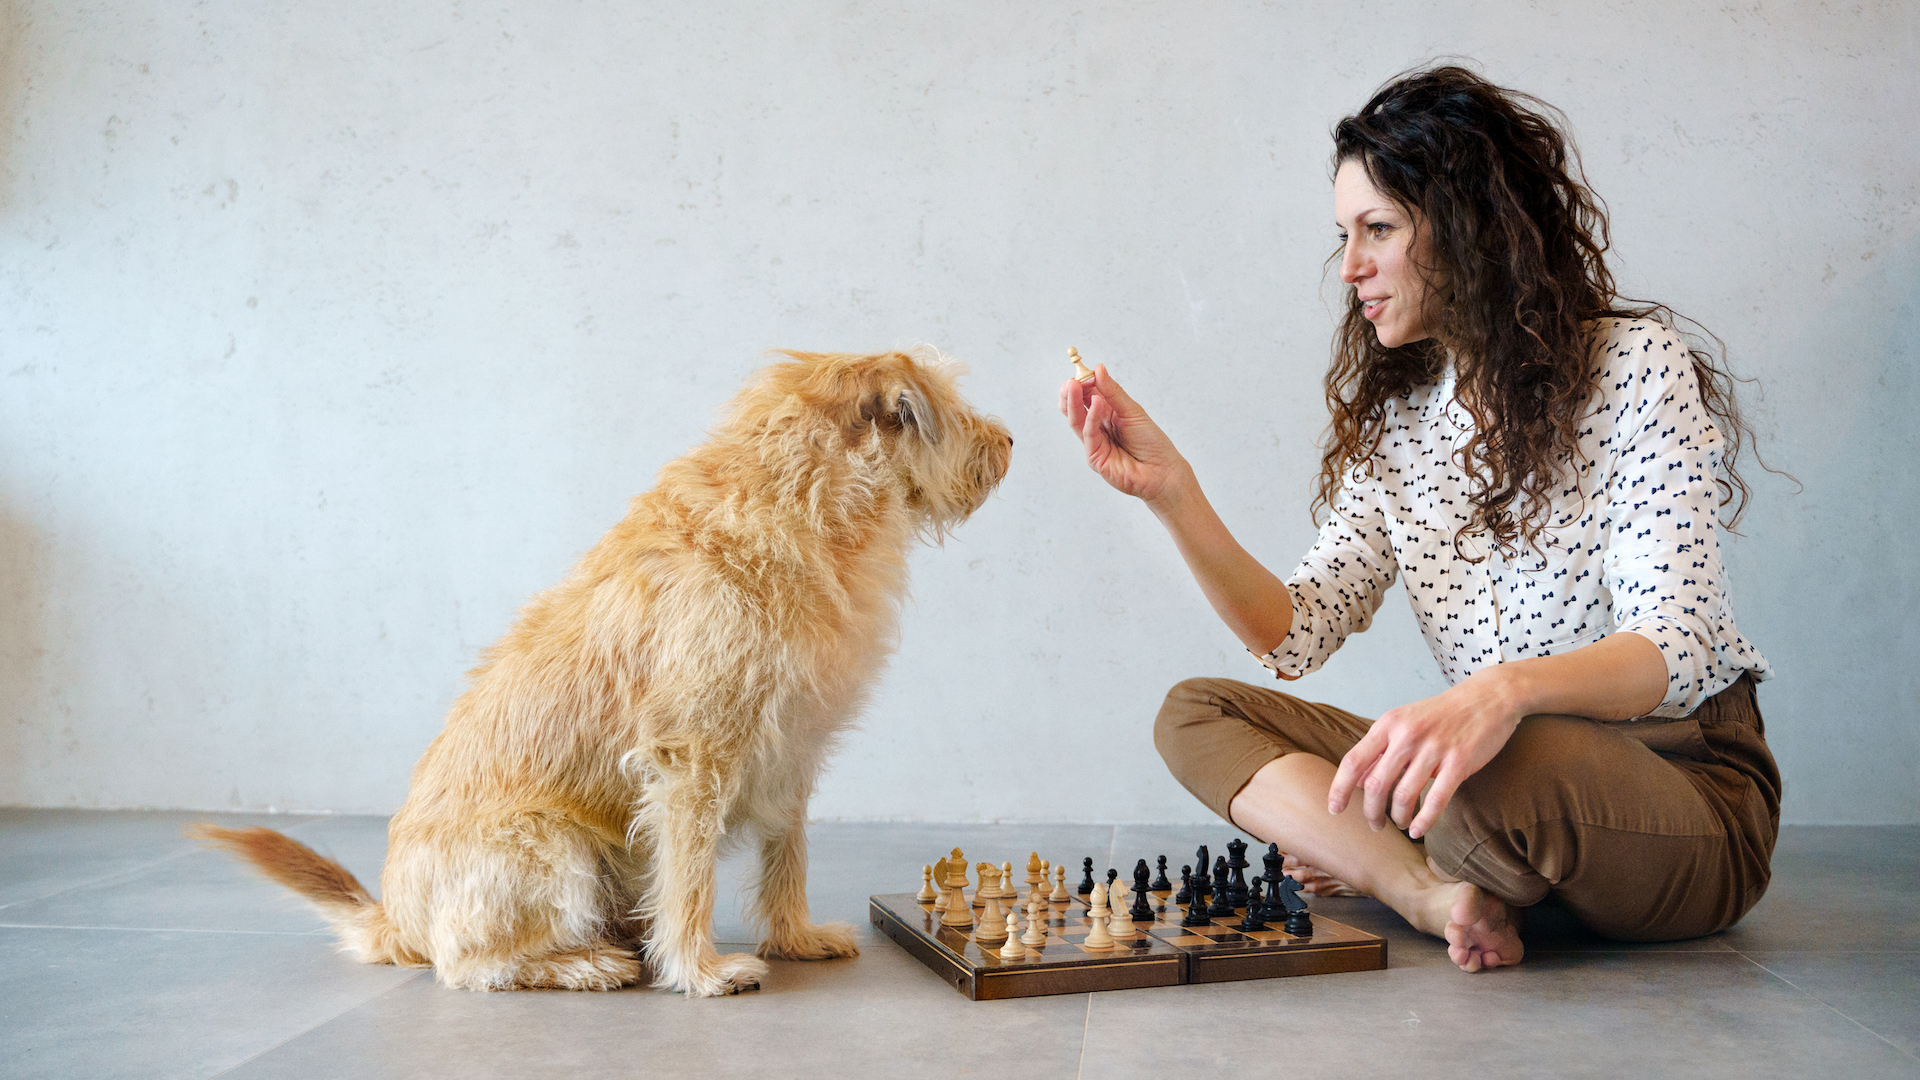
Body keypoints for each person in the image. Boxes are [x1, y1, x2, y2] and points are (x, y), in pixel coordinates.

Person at [1058, 66, 1779, 973]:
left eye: (1380, 229)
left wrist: (1497, 694)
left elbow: (1670, 645)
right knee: (1194, 715)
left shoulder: (1635, 364)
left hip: (1680, 780)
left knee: (1472, 780)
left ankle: (1390, 849)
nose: (1350, 265)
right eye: (1345, 234)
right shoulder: (1402, 422)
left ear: (1470, 228)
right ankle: (1432, 891)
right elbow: (1296, 633)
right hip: (1494, 774)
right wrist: (1174, 492)